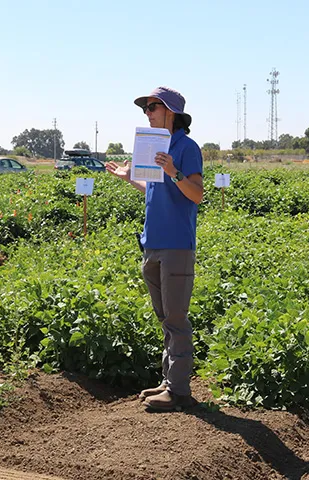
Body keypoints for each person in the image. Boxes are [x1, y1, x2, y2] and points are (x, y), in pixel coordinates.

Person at [105, 86, 204, 411]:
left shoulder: (186, 148)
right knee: (165, 318)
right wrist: (128, 177)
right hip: (153, 243)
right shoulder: (154, 148)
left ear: (170, 112)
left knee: (176, 318)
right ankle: (168, 382)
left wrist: (173, 172)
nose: (147, 113)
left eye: (153, 107)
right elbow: (153, 186)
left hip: (176, 244)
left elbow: (196, 194)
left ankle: (178, 392)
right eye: (146, 108)